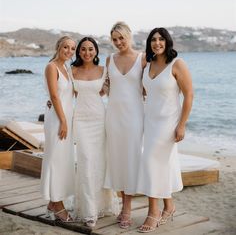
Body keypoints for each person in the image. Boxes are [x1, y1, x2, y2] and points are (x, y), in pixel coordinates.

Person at [136, 27, 194, 233]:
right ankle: (169, 206)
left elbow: (189, 95)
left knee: (151, 162)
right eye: (153, 40)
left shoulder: (177, 64)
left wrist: (182, 125)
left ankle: (153, 211)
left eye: (161, 39)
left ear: (167, 42)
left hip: (168, 124)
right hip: (150, 122)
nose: (157, 43)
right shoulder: (148, 64)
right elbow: (145, 91)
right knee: (159, 165)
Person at [71, 37, 118, 228]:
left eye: (91, 49)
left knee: (100, 162)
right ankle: (89, 211)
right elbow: (62, 92)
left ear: (96, 51)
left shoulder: (103, 70)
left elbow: (114, 91)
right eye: (83, 49)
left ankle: (102, 204)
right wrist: (51, 102)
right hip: (80, 121)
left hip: (100, 120)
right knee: (86, 161)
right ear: (79, 52)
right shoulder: (71, 70)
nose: (87, 52)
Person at [104, 21, 146, 229]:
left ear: (129, 36)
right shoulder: (109, 59)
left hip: (134, 118)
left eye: (122, 37)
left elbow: (153, 85)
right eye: (115, 39)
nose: (119, 42)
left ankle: (127, 209)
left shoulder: (143, 59)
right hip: (113, 118)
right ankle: (123, 205)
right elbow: (102, 86)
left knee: (130, 161)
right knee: (118, 161)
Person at [40, 36, 76, 222]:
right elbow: (54, 96)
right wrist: (63, 121)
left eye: (72, 48)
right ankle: (58, 205)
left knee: (63, 160)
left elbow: (71, 92)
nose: (69, 51)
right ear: (58, 47)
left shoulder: (67, 68)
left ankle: (52, 205)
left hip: (66, 118)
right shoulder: (51, 67)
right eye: (65, 47)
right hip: (57, 119)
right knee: (55, 160)